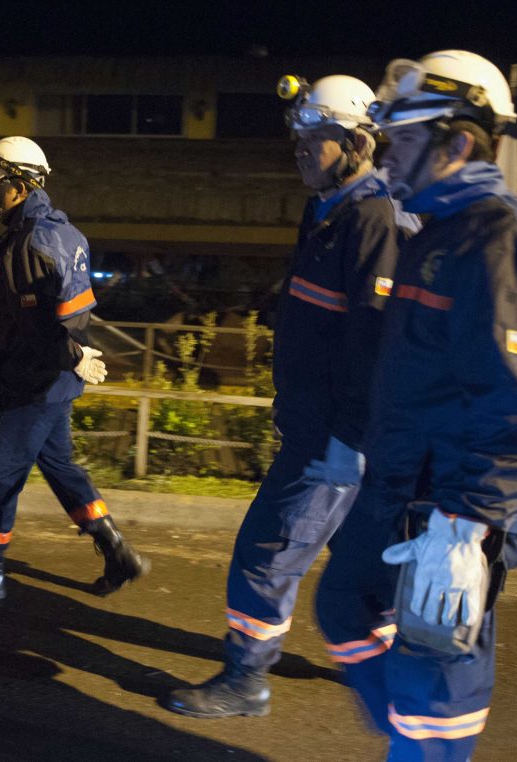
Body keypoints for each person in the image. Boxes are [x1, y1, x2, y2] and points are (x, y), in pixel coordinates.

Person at [314, 51, 517, 761]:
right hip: (401, 482)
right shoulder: (438, 232)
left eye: (405, 140)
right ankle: (408, 732)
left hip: (457, 505)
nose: (387, 156)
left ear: (458, 144)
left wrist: (468, 527)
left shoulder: (510, 248)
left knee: (435, 669)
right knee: (343, 604)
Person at [162, 75, 417, 719]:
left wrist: (346, 442)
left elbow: (374, 347)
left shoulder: (372, 219)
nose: (301, 147)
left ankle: (246, 679)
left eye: (317, 136)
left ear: (358, 144)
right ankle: (390, 663)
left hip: (335, 435)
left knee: (268, 550)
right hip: (324, 424)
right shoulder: (327, 210)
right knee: (360, 556)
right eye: (297, 135)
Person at [0, 136, 150, 602]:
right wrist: (76, 357)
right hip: (57, 383)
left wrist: (70, 355)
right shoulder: (62, 233)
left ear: (21, 185)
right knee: (61, 467)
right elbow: (73, 314)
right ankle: (116, 550)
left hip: (28, 383)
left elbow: (40, 324)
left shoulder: (28, 243)